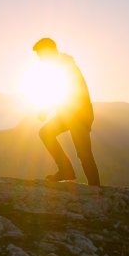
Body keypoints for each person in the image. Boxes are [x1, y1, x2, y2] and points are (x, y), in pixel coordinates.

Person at [33, 37, 101, 187]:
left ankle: (95, 188)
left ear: (49, 52)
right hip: (69, 114)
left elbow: (66, 91)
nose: (40, 59)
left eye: (41, 55)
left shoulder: (65, 66)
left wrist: (46, 109)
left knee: (83, 153)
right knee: (45, 133)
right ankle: (66, 170)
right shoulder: (60, 66)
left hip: (79, 115)